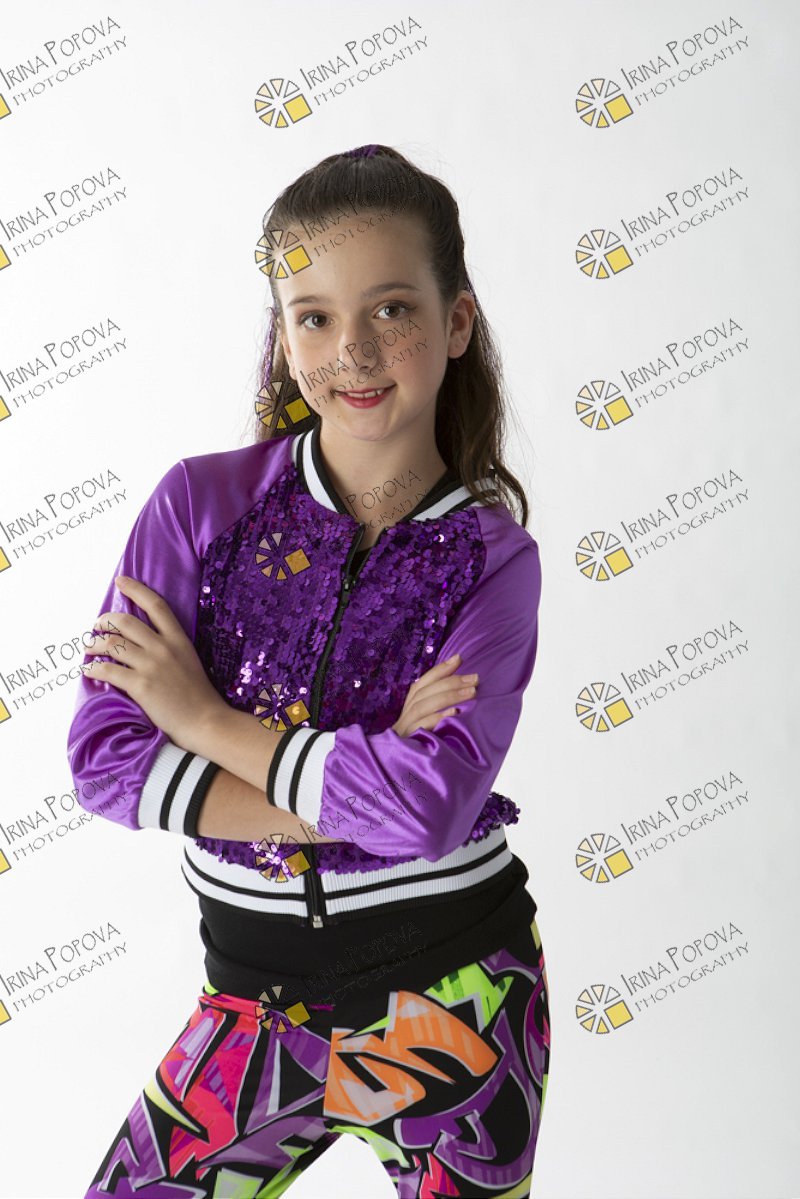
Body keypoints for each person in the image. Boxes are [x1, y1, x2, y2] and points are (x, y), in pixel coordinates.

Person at [67, 143, 550, 1198]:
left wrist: (201, 715)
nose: (353, 350)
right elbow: (104, 760)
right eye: (315, 316)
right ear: (283, 336)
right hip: (252, 1005)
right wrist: (359, 777)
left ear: (456, 322)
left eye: (392, 309)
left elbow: (427, 812)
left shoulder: (492, 560)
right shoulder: (197, 507)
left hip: (455, 1000)